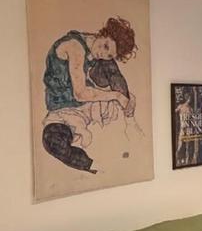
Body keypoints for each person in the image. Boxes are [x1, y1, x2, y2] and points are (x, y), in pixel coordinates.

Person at [42, 16, 138, 173]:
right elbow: (80, 93)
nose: (102, 53)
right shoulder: (75, 46)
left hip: (89, 104)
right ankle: (96, 166)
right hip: (63, 108)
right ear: (103, 33)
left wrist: (120, 96)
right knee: (52, 141)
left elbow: (106, 73)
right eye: (105, 46)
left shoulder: (98, 51)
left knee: (108, 65)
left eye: (109, 54)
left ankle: (130, 120)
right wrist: (116, 96)